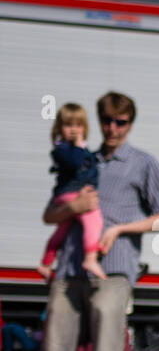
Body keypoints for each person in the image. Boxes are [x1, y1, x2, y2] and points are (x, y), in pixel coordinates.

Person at [35, 92, 159, 351]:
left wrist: (122, 229)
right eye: (108, 121)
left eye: (121, 122)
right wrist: (74, 207)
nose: (113, 128)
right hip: (69, 270)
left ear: (130, 124)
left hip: (113, 272)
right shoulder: (81, 159)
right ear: (99, 122)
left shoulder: (142, 164)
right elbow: (49, 216)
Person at [40, 103, 104, 282]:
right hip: (71, 194)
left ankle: (46, 263)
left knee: (62, 230)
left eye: (78, 125)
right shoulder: (63, 149)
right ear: (59, 128)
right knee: (94, 220)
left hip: (66, 195)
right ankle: (90, 258)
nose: (74, 130)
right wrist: (77, 145)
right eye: (68, 125)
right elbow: (75, 163)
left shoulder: (79, 149)